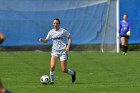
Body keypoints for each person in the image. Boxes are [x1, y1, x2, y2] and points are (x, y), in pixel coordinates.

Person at [39, 18, 76, 84]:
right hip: (55, 51)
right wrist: (42, 40)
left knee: (64, 70)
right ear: (53, 24)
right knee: (52, 66)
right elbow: (46, 40)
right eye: (54, 23)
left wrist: (68, 46)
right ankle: (52, 81)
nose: (55, 24)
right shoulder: (51, 32)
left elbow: (69, 37)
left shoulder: (63, 31)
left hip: (63, 52)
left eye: (56, 23)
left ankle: (73, 73)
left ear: (59, 24)